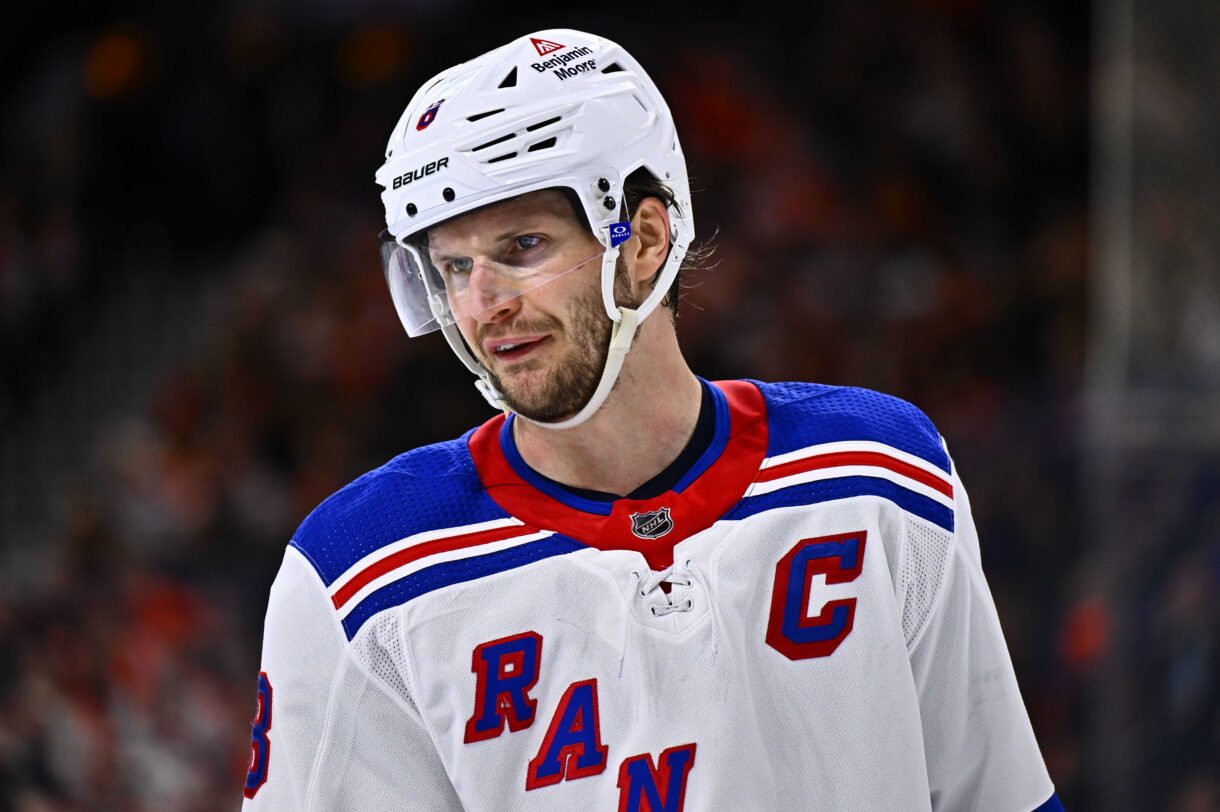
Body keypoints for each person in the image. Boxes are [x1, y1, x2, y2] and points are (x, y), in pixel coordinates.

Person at [242, 28, 1064, 811]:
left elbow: (999, 800)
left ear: (642, 241)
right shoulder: (358, 576)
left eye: (522, 246)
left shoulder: (880, 475)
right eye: (455, 266)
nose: (482, 304)